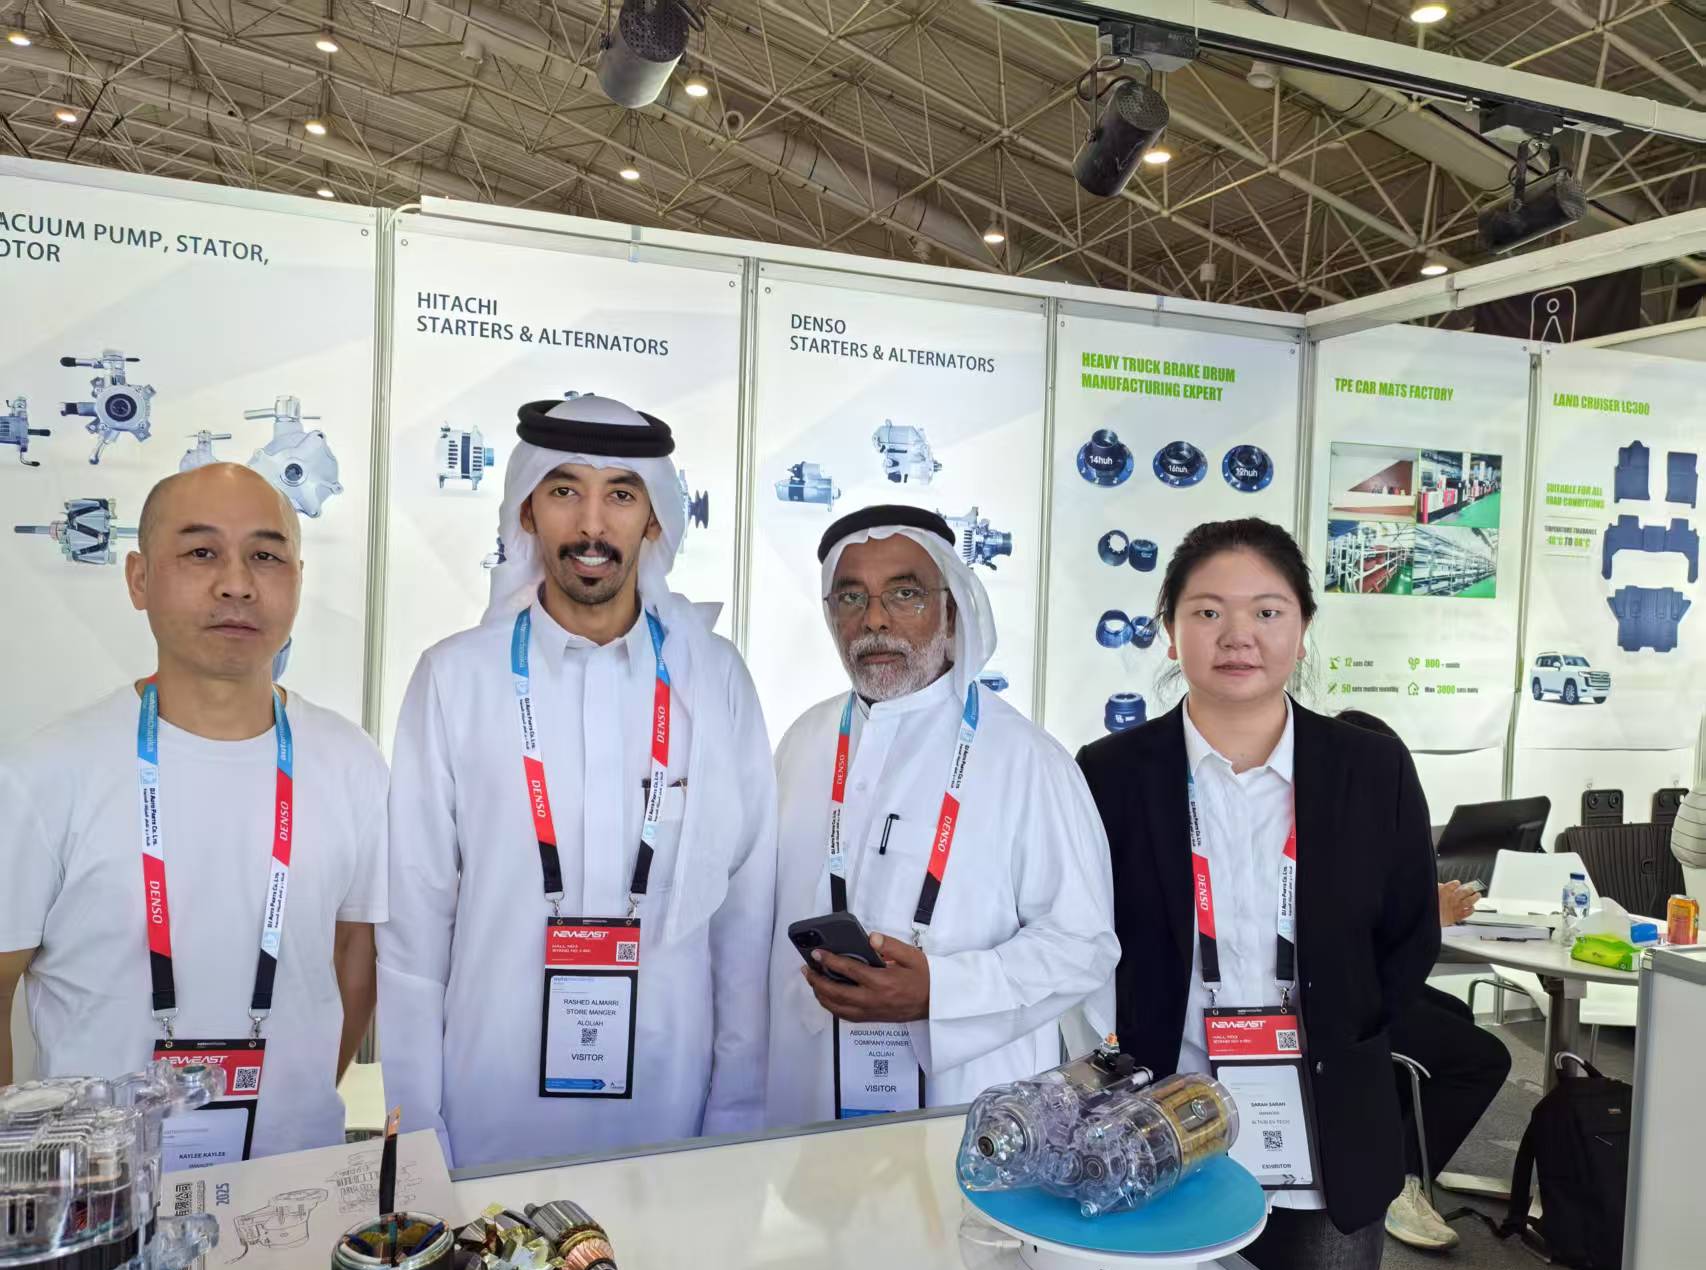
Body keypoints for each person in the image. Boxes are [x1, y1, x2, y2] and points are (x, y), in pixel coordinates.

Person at [380, 393, 776, 1169]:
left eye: (620, 495)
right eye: (565, 490)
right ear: (527, 511)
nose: (592, 525)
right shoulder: (456, 679)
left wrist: (734, 1117)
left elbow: (744, 918)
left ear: (654, 519)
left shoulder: (714, 679)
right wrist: (421, 1135)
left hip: (671, 1114)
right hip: (489, 1114)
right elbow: (413, 930)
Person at [1077, 518, 1439, 1270]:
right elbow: (1085, 937)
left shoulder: (1371, 770)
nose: (1238, 634)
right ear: (1170, 631)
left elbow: (1409, 936)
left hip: (1328, 1133)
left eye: (1267, 611)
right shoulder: (1110, 774)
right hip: (1155, 1125)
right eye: (1208, 611)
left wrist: (1345, 1039)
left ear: (1302, 630)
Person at [0, 463, 385, 1162]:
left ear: (298, 579)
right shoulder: (46, 773)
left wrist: (290, 1105)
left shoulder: (350, 761)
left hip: (294, 1179)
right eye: (201, 552)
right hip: (102, 1196)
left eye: (265, 556)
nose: (237, 583)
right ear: (139, 579)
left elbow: (355, 954)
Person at [765, 504, 1118, 1127]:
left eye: (905, 594)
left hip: (971, 1112)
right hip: (808, 1096)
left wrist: (941, 990)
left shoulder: (1026, 759)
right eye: (851, 597)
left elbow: (1083, 945)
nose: (874, 619)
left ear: (952, 613)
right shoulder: (804, 743)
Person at [1336, 709, 1513, 1252]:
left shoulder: (1357, 821)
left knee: (1456, 1016)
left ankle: (1395, 1149)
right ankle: (1400, 1180)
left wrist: (1421, 907)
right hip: (1341, 1003)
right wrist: (1428, 916)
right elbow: (1337, 940)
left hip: (1363, 986)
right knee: (1485, 1058)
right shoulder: (1329, 831)